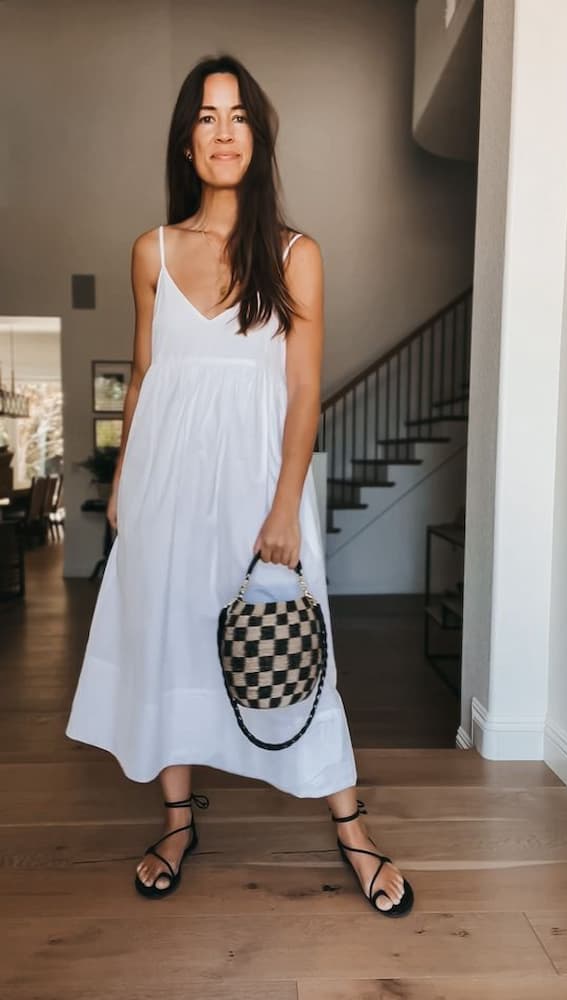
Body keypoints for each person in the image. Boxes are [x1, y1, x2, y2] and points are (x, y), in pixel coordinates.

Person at [65, 53, 413, 917]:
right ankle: (178, 821)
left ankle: (351, 823)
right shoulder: (151, 250)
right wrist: (123, 488)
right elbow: (146, 375)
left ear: (258, 137)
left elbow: (302, 391)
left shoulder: (296, 255)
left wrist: (285, 504)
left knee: (293, 648)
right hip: (164, 486)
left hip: (258, 487)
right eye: (207, 117)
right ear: (187, 141)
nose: (224, 132)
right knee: (172, 638)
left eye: (239, 116)